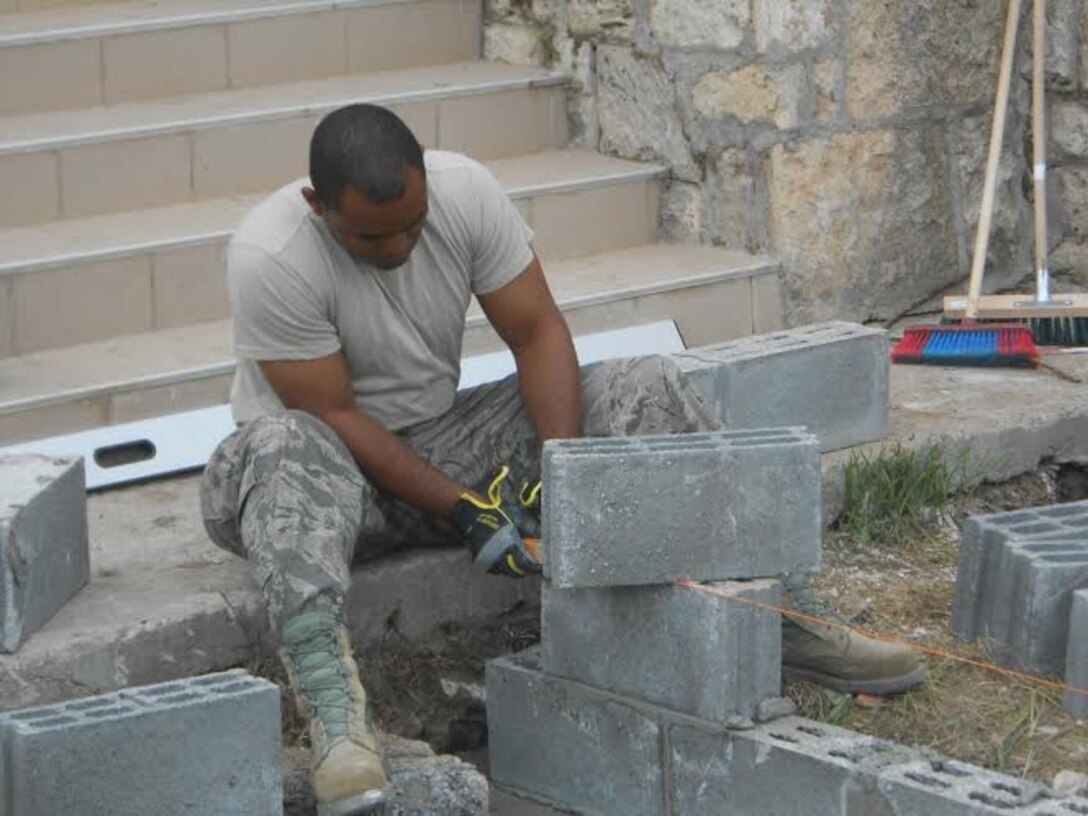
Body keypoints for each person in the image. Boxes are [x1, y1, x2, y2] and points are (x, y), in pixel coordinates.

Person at [199, 103, 924, 815]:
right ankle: (337, 727)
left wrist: (563, 473)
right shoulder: (272, 254)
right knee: (286, 442)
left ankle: (777, 620)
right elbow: (333, 414)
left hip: (439, 435)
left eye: (412, 227)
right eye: (371, 237)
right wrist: (465, 507)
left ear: (427, 187)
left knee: (648, 385)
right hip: (325, 478)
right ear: (316, 205)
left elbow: (538, 331)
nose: (397, 250)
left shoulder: (466, 194)